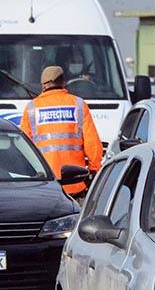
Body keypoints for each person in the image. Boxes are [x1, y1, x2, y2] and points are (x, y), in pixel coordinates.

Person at [19, 65, 102, 200]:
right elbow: (93, 145)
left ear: (44, 85)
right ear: (63, 82)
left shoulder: (32, 108)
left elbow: (23, 148)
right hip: (75, 183)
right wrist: (93, 171)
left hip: (45, 185)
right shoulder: (78, 104)